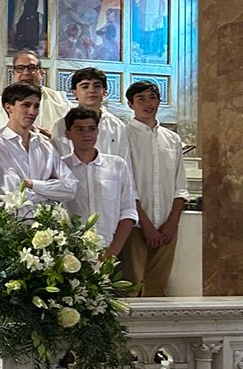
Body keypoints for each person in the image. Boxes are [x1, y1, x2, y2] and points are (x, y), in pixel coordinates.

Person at [122, 81, 188, 295]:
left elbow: (180, 186)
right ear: (130, 104)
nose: (147, 103)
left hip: (166, 224)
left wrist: (172, 223)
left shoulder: (172, 139)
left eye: (152, 98)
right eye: (140, 99)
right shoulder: (124, 136)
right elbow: (126, 185)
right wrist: (146, 224)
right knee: (130, 285)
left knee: (158, 287)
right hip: (135, 224)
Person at [0, 82, 77, 209]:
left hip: (50, 224)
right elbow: (13, 194)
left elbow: (71, 188)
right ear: (8, 107)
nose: (32, 112)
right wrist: (51, 192)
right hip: (15, 223)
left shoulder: (46, 145)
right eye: (26, 105)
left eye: (36, 106)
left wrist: (32, 184)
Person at [61, 107, 137, 258]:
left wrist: (112, 252)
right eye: (80, 129)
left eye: (91, 129)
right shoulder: (60, 167)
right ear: (68, 134)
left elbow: (128, 211)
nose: (87, 134)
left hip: (110, 247)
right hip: (71, 251)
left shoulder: (117, 165)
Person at [51, 67, 131, 165]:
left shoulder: (116, 125)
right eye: (85, 86)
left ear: (104, 92)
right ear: (74, 93)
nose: (92, 90)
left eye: (97, 86)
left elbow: (125, 161)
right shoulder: (62, 125)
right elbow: (57, 163)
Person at [0, 49, 70, 135]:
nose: (26, 73)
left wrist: (53, 137)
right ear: (13, 74)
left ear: (41, 73)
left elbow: (75, 137)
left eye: (32, 68)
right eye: (20, 68)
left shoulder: (61, 102)